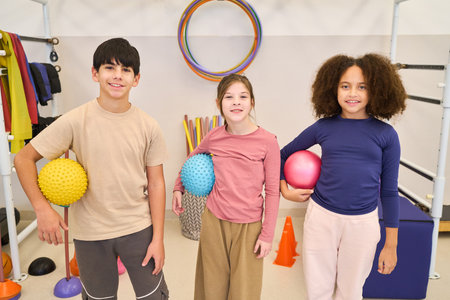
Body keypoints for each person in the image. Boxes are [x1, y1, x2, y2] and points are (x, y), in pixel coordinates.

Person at [14, 38, 169, 300]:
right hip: (90, 233)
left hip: (138, 228)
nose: (118, 76)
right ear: (95, 73)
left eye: (126, 70)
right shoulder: (75, 120)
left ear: (136, 78)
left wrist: (158, 238)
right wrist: (42, 208)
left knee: (155, 296)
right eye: (110, 67)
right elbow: (23, 159)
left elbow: (156, 183)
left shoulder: (148, 126)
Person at [280, 53, 407, 300]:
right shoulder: (322, 127)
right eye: (345, 86)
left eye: (362, 87)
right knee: (318, 291)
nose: (352, 93)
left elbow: (390, 193)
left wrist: (390, 245)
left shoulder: (387, 135)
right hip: (321, 218)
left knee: (350, 292)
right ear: (333, 89)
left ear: (376, 90)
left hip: (363, 223)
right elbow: (282, 155)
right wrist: (285, 189)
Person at [172, 74, 280, 300]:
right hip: (214, 221)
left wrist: (267, 235)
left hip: (248, 227)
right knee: (212, 285)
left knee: (244, 291)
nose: (236, 102)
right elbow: (193, 158)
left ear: (252, 102)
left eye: (243, 96)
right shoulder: (214, 136)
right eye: (229, 97)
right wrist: (177, 187)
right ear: (219, 103)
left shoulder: (268, 142)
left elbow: (272, 192)